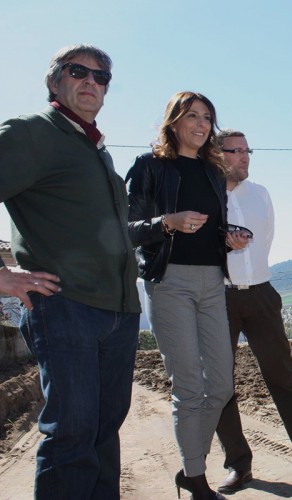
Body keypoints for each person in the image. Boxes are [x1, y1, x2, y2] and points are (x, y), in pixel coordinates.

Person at [0, 44, 141, 498]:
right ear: (54, 80)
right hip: (66, 307)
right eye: (78, 71)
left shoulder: (95, 148)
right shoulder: (30, 133)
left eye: (101, 77)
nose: (91, 81)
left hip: (118, 312)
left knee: (103, 433)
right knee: (73, 435)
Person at [126, 92, 247, 500]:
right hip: (168, 283)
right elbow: (126, 228)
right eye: (192, 115)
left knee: (222, 386)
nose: (201, 124)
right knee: (190, 387)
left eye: (207, 118)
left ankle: (190, 464)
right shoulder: (149, 166)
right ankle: (195, 478)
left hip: (213, 282)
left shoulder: (213, 172)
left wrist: (229, 238)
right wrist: (168, 222)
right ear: (173, 121)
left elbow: (216, 226)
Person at [214, 129, 292, 493]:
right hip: (219, 300)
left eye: (247, 150)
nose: (244, 157)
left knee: (284, 378)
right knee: (221, 386)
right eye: (235, 151)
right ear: (216, 154)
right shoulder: (205, 194)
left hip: (262, 294)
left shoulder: (261, 194)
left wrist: (252, 276)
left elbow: (264, 240)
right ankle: (239, 466)